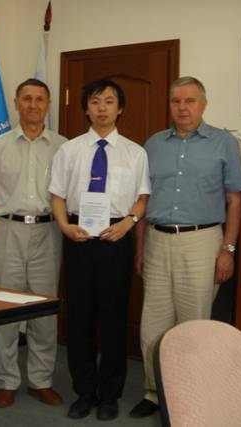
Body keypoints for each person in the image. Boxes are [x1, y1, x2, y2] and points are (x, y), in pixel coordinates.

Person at [131, 76, 241, 418]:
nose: (182, 108)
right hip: (156, 239)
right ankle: (154, 392)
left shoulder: (223, 143)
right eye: (176, 101)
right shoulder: (153, 144)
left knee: (194, 325)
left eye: (190, 101)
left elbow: (236, 201)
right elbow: (142, 200)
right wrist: (139, 249)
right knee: (152, 325)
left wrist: (228, 249)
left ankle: (192, 395)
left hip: (202, 241)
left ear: (203, 104)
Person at [49, 79, 150, 421]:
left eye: (109, 101)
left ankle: (110, 393)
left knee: (113, 317)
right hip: (77, 236)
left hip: (116, 237)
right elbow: (57, 195)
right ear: (86, 108)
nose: (102, 108)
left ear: (120, 109)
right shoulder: (69, 150)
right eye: (95, 101)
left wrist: (128, 224)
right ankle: (84, 390)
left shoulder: (135, 153)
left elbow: (142, 197)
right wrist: (64, 226)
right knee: (79, 317)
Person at [0, 78, 66, 408]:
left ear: (48, 104)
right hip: (7, 232)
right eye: (26, 98)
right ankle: (6, 381)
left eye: (39, 99)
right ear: (16, 104)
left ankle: (41, 380)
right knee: (5, 310)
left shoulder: (63, 147)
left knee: (44, 311)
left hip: (48, 232)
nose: (33, 104)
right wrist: (14, 215)